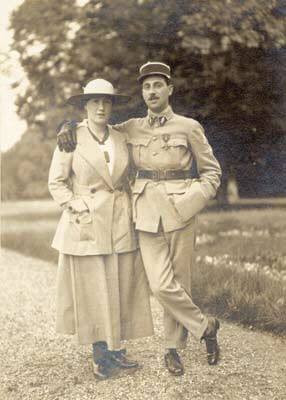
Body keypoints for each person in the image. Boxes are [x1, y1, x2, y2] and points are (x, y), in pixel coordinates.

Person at [57, 62, 222, 376]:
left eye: (158, 85)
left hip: (181, 210)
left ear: (169, 89)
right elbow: (97, 130)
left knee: (180, 281)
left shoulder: (189, 127)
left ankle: (173, 349)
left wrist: (194, 199)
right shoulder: (131, 128)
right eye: (146, 87)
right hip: (144, 213)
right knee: (160, 285)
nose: (152, 92)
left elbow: (212, 172)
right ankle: (205, 327)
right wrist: (66, 124)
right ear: (142, 93)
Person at [48, 78, 154, 380]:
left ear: (112, 106)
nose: (101, 106)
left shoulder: (121, 136)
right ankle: (99, 353)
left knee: (120, 282)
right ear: (85, 106)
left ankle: (117, 349)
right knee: (93, 286)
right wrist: (74, 204)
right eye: (94, 101)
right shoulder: (70, 138)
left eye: (106, 101)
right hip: (86, 220)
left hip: (120, 218)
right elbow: (56, 182)